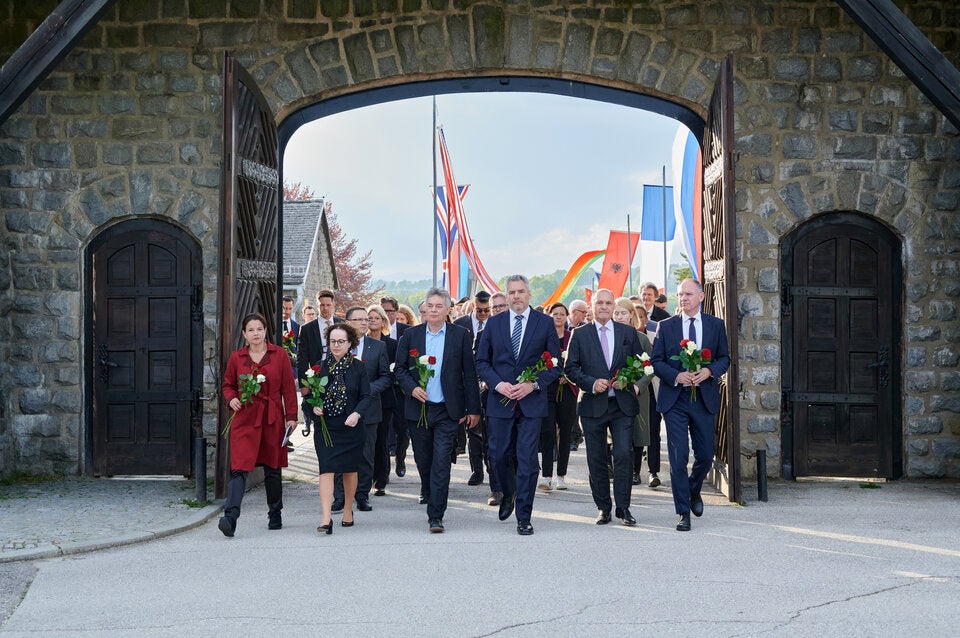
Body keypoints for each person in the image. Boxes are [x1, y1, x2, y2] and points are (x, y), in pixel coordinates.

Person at [475, 275, 562, 536]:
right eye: (511, 292)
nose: (516, 296)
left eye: (521, 291)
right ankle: (509, 493)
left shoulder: (544, 323)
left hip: (530, 403)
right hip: (500, 400)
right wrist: (497, 384)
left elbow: (555, 364)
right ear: (506, 295)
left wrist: (532, 385)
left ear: (529, 294)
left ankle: (524, 515)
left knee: (527, 460)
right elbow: (481, 361)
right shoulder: (494, 323)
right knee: (498, 455)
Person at [395, 287, 481, 533]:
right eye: (429, 306)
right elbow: (400, 369)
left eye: (438, 306)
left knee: (442, 461)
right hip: (418, 409)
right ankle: (429, 491)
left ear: (447, 310)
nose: (433, 310)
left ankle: (436, 514)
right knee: (424, 460)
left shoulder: (460, 335)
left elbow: (469, 374)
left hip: (447, 410)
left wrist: (473, 408)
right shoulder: (411, 336)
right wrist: (412, 388)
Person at [651, 278, 730, 532]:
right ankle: (682, 512)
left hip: (703, 397)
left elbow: (724, 358)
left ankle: (693, 489)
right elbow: (657, 361)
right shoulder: (666, 326)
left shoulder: (716, 325)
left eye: (687, 294)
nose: (682, 298)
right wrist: (675, 375)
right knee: (678, 456)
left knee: (705, 455)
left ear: (701, 296)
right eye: (679, 294)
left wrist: (709, 371)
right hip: (675, 399)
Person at [564, 290, 647, 527]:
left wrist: (628, 380)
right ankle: (603, 507)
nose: (603, 307)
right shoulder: (580, 335)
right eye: (599, 303)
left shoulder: (627, 333)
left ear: (614, 307)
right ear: (591, 307)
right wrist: (591, 383)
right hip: (592, 405)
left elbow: (641, 365)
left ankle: (624, 507)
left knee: (623, 455)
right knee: (597, 458)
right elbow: (570, 368)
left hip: (621, 405)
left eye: (608, 303)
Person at [219, 313, 298, 537]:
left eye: (259, 329)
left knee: (273, 468)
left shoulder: (279, 355)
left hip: (272, 418)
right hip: (244, 418)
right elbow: (228, 385)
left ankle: (275, 513)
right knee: (239, 468)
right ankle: (230, 516)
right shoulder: (237, 358)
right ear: (244, 334)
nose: (256, 333)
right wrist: (231, 398)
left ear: (265, 331)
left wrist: (291, 416)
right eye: (251, 330)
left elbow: (288, 389)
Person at [310, 323, 371, 534]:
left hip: (351, 426)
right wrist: (314, 406)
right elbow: (309, 397)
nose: (336, 345)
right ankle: (326, 518)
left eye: (341, 342)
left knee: (349, 470)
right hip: (326, 427)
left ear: (350, 344)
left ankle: (347, 509)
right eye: (333, 341)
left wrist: (357, 413)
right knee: (326, 469)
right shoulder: (319, 368)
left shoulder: (358, 367)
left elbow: (366, 396)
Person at [331, 306, 391, 514]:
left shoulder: (378, 346)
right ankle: (340, 496)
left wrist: (367, 390)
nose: (364, 323)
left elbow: (385, 377)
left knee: (366, 454)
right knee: (341, 453)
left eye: (366, 319)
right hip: (340, 410)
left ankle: (362, 494)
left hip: (369, 410)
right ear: (347, 323)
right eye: (358, 319)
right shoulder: (337, 345)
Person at [454, 290, 495, 488]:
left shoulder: (495, 324)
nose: (483, 314)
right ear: (473, 305)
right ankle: (476, 470)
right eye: (479, 310)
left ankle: (490, 467)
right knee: (472, 429)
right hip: (467, 383)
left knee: (488, 430)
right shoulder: (460, 323)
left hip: (489, 384)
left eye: (487, 310)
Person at [613, 297, 654, 487]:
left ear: (631, 315)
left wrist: (638, 385)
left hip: (637, 392)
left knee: (637, 432)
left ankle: (636, 472)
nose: (619, 317)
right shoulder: (608, 336)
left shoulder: (642, 339)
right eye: (616, 313)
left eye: (623, 313)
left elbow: (650, 366)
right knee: (616, 435)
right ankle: (617, 469)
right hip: (614, 392)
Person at [539, 302, 578, 491]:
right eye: (555, 314)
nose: (559, 317)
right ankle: (546, 475)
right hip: (548, 389)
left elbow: (578, 362)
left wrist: (568, 377)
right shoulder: (544, 337)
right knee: (547, 432)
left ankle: (561, 476)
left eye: (562, 314)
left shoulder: (572, 337)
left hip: (567, 389)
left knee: (565, 432)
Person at [366, 304, 397, 496]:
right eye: (369, 318)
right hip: (364, 398)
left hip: (384, 398)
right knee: (367, 440)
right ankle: (366, 476)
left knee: (382, 439)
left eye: (376, 318)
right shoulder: (360, 343)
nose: (372, 321)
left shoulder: (391, 344)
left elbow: (394, 371)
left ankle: (381, 479)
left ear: (383, 321)